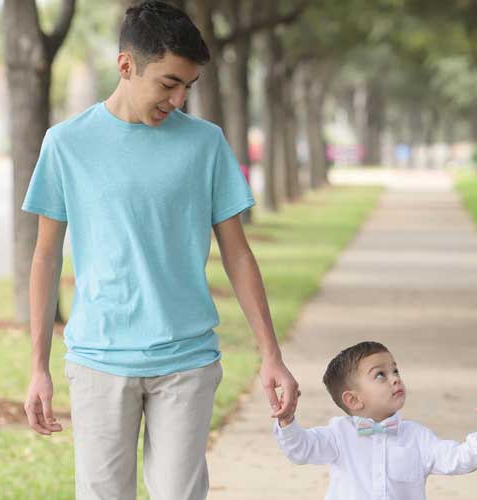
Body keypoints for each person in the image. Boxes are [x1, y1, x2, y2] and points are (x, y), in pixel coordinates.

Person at [21, 2, 298, 499]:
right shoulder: (65, 144)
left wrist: (270, 355)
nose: (179, 99)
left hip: (186, 360)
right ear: (127, 65)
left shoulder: (206, 143)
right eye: (169, 83)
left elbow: (237, 252)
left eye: (188, 87)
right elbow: (45, 256)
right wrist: (38, 366)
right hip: (98, 361)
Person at [274, 341, 477, 500]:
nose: (395, 379)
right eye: (380, 375)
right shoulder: (338, 435)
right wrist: (287, 421)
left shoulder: (417, 438)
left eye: (395, 371)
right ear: (353, 400)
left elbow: (461, 458)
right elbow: (300, 449)